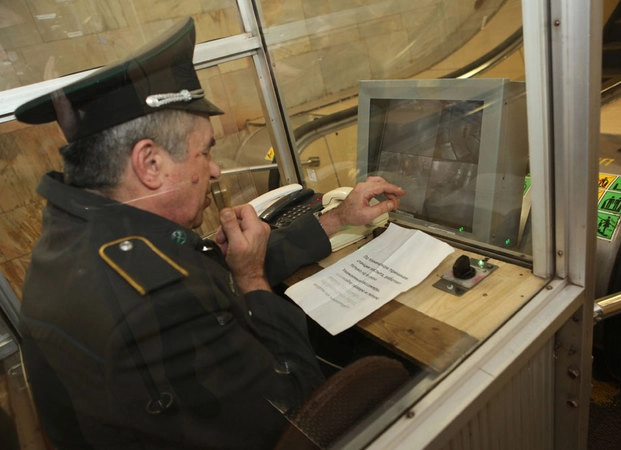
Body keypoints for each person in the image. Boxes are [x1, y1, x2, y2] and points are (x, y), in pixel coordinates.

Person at [15, 17, 405, 449]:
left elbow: (214, 273)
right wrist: (253, 281)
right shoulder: (155, 305)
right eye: (204, 152)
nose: (216, 170)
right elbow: (300, 416)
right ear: (150, 165)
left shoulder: (82, 234)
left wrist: (337, 218)